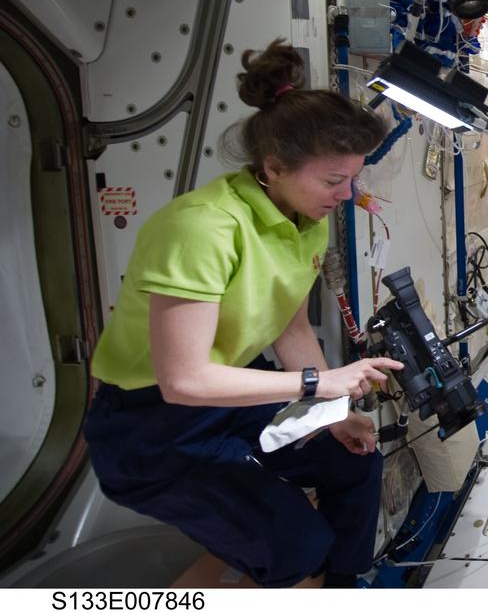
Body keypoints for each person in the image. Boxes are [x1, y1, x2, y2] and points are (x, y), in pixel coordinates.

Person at [84, 40, 405, 588]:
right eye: (333, 181)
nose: (348, 194)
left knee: (354, 461)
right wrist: (322, 382)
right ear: (274, 166)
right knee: (297, 548)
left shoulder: (306, 217)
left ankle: (344, 586)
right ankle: (305, 573)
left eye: (353, 178)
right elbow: (183, 380)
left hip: (229, 404)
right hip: (153, 430)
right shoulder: (203, 227)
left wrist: (332, 414)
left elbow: (290, 323)